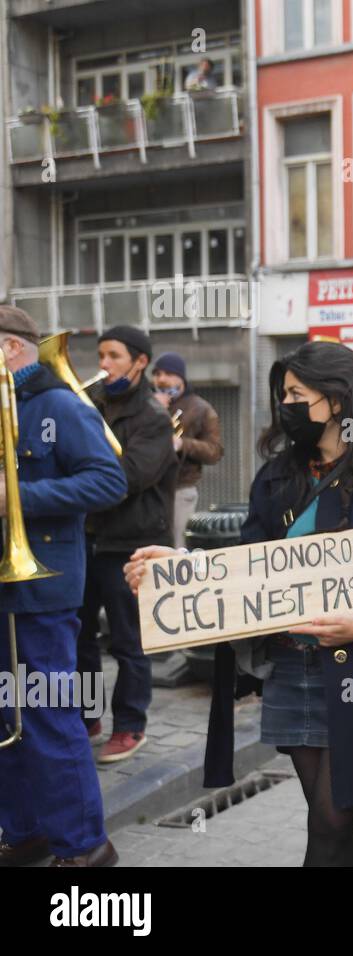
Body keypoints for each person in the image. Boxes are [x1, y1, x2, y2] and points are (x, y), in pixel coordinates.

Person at [126, 341, 353, 866]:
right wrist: (179, 568)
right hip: (293, 672)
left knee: (333, 816)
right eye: (283, 395)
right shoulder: (275, 477)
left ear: (337, 401)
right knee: (330, 820)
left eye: (298, 394)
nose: (286, 406)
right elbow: (248, 569)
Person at [0, 308, 126, 867]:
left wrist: (17, 499)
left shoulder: (57, 405)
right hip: (6, 593)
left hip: (42, 591)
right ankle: (22, 833)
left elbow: (107, 479)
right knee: (9, 720)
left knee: (49, 715)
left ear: (9, 349)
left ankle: (84, 847)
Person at [78, 326, 177, 763]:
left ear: (139, 361)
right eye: (101, 355)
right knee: (79, 637)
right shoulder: (91, 404)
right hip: (89, 538)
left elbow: (129, 477)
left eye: (114, 356)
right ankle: (85, 715)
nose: (104, 364)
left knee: (129, 641)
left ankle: (131, 725)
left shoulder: (153, 417)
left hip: (134, 543)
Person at [152, 352, 223, 548]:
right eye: (157, 374)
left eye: (169, 373)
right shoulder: (147, 403)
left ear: (181, 377)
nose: (162, 379)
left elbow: (215, 451)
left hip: (180, 489)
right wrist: (154, 409)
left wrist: (183, 444)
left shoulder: (201, 408)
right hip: (148, 491)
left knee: (177, 547)